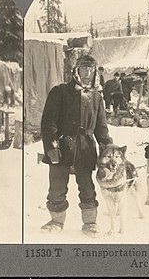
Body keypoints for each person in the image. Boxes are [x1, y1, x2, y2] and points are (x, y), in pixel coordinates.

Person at [40, 54, 113, 237]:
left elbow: (101, 129)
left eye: (90, 69)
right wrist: (51, 147)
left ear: (95, 72)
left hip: (85, 149)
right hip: (62, 147)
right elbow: (48, 123)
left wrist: (110, 150)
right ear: (76, 71)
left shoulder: (97, 97)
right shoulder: (60, 92)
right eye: (83, 68)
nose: (87, 73)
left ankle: (90, 223)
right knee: (57, 188)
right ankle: (56, 220)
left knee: (87, 188)